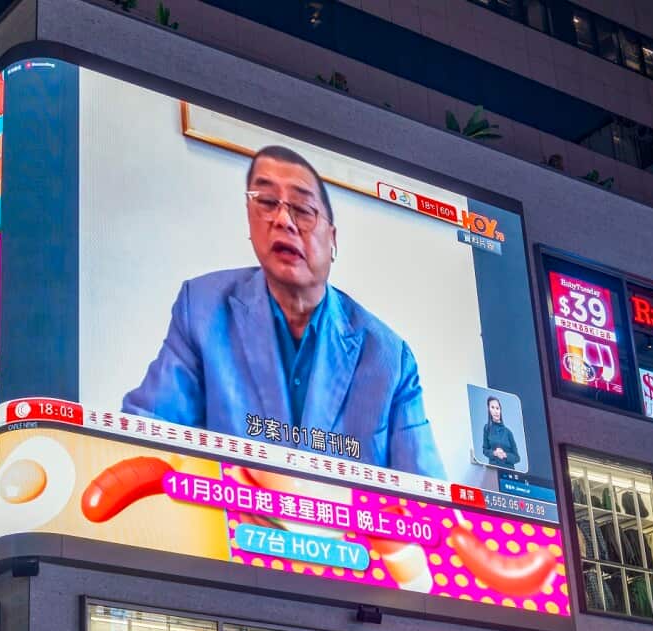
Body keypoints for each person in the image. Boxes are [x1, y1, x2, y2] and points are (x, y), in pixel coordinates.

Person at [123, 145, 444, 477]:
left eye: (303, 209)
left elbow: (429, 495)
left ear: (332, 239)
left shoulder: (389, 356)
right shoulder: (202, 307)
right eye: (265, 202)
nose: (282, 221)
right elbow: (147, 433)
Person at [480, 396, 519, 469]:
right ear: (489, 410)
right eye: (492, 407)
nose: (495, 411)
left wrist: (505, 455)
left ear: (500, 410)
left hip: (508, 471)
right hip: (493, 470)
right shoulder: (487, 428)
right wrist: (495, 453)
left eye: (497, 408)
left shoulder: (508, 432)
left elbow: (517, 458)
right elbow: (485, 450)